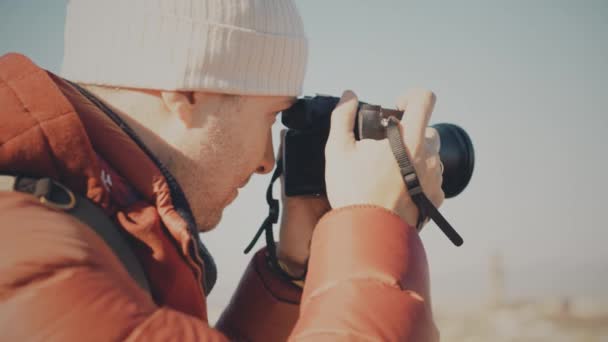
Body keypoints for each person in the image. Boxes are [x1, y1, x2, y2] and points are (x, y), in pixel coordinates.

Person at [0, 0, 444, 340]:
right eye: (272, 116)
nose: (268, 161)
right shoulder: (24, 242)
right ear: (188, 92)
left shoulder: (77, 217)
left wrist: (291, 274)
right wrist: (374, 231)